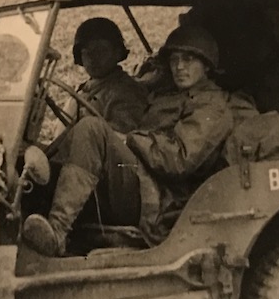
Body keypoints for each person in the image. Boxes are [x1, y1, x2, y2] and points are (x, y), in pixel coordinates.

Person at [23, 24, 233, 256]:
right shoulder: (170, 95)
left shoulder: (212, 107)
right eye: (174, 60)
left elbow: (179, 161)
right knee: (57, 142)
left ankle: (58, 231)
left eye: (189, 59)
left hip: (159, 199)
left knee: (92, 128)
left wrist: (130, 140)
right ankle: (26, 207)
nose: (179, 67)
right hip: (143, 181)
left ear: (206, 64)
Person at [68, 17, 148, 133]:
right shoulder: (86, 89)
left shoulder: (127, 91)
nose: (93, 59)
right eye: (87, 53)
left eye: (101, 51)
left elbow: (120, 139)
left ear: (117, 52)